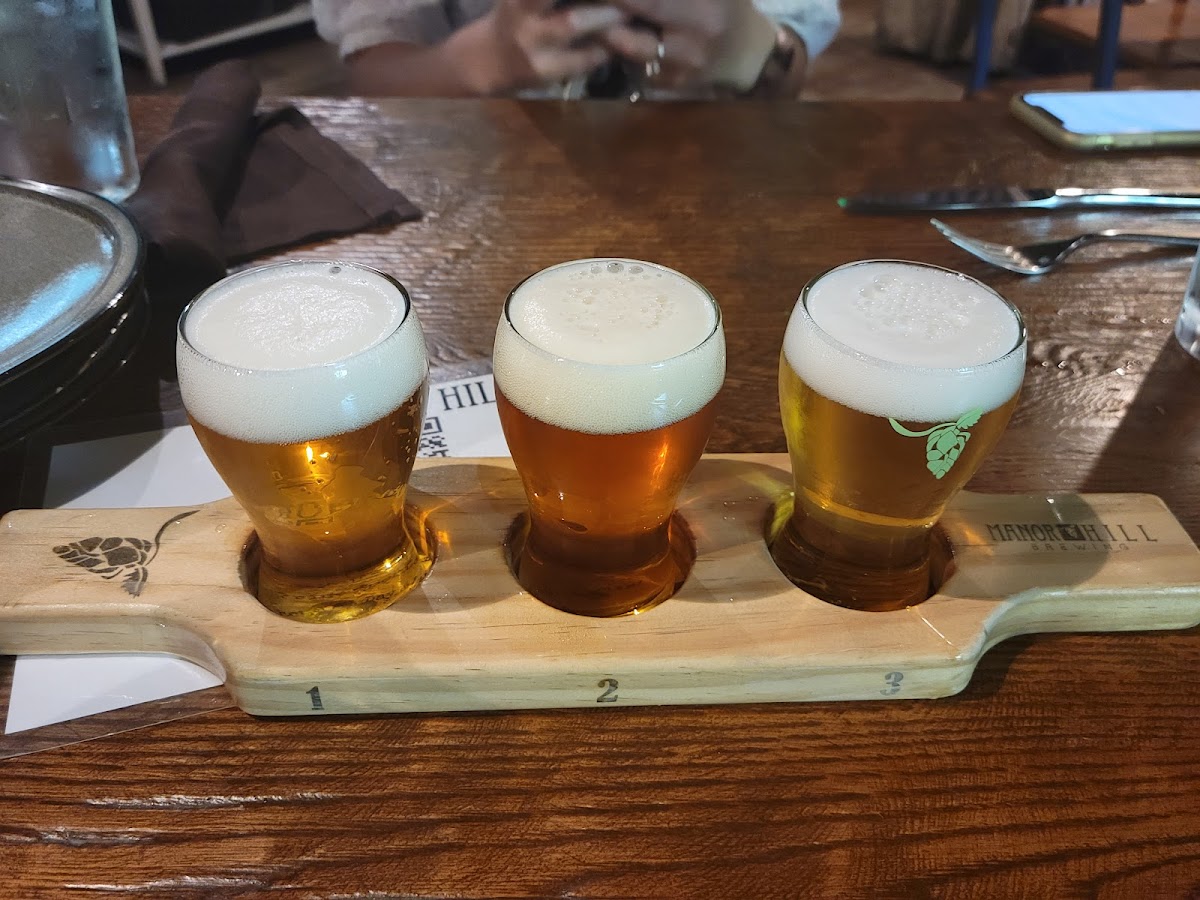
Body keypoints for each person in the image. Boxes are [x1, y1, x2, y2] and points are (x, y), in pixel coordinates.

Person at [313, 0, 841, 99]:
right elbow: (374, 75)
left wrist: (752, 48)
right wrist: (481, 60)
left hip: (709, 186)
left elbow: (788, 68)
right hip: (483, 197)